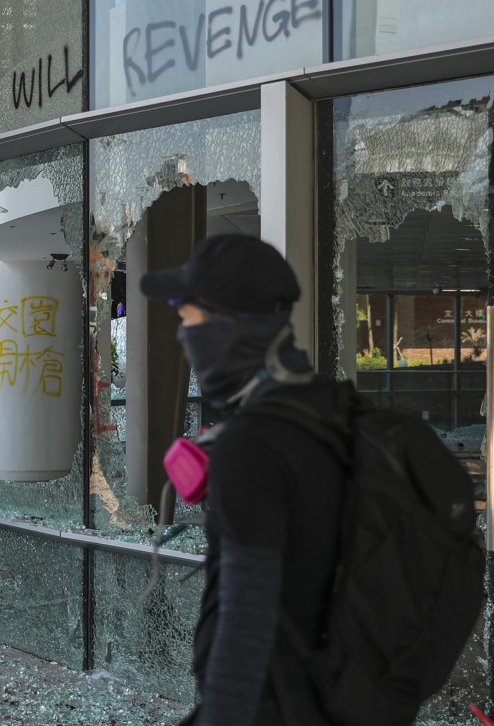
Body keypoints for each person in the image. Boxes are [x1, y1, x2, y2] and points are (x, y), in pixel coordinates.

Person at [140, 234, 345, 726]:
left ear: (224, 326)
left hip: (269, 704)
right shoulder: (326, 407)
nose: (181, 335)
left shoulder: (252, 446)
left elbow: (247, 622)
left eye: (185, 316)